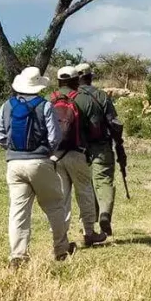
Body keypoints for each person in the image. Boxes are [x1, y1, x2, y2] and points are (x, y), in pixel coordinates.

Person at [0, 67, 75, 264]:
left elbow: (0, 136)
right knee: (55, 205)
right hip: (40, 161)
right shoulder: (45, 105)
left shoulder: (7, 105)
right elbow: (54, 136)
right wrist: (46, 152)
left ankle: (18, 254)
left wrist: (13, 149)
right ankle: (61, 249)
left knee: (18, 211)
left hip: (14, 164)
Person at [50, 67, 107, 247]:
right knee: (84, 192)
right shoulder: (84, 99)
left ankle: (61, 237)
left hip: (55, 156)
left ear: (58, 82)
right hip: (78, 153)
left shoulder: (49, 99)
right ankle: (89, 233)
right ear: (76, 81)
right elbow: (95, 129)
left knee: (61, 197)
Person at [75, 62, 127, 237]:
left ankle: (88, 223)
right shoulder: (101, 96)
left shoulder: (72, 97)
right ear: (90, 77)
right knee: (103, 181)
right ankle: (105, 213)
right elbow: (114, 122)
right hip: (101, 146)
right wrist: (118, 143)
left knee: (85, 186)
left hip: (77, 149)